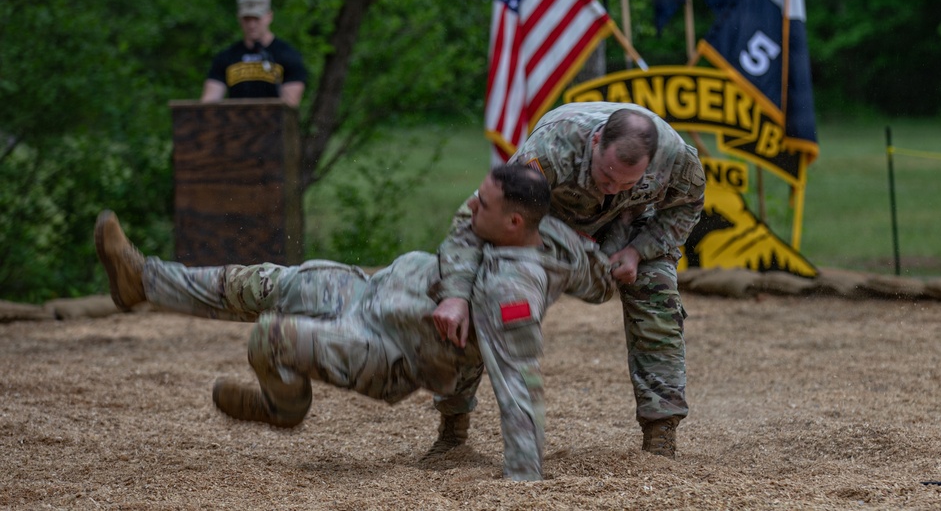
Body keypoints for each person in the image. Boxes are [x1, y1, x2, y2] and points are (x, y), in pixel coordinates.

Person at [94, 164, 617, 481]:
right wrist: (626, 260)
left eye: (483, 202)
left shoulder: (512, 295)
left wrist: (524, 477)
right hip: (371, 293)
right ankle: (144, 281)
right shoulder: (542, 234)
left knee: (269, 335)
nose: (470, 205)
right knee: (261, 282)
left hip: (385, 351)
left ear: (514, 222)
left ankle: (284, 404)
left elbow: (518, 381)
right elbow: (598, 275)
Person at [435, 102, 706, 458]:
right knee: (485, 289)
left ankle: (661, 434)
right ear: (595, 141)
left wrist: (640, 250)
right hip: (549, 222)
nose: (612, 189)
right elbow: (476, 220)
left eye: (628, 182)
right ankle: (453, 429)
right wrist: (455, 294)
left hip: (629, 227)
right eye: (606, 177)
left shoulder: (675, 158)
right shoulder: (548, 153)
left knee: (658, 294)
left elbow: (688, 205)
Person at [200, 0, 308, 108]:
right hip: (236, 123)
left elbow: (290, 105)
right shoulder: (226, 56)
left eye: (256, 19)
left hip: (273, 124)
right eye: (247, 19)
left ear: (269, 16)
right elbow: (209, 101)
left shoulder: (288, 55)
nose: (251, 25)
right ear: (239, 19)